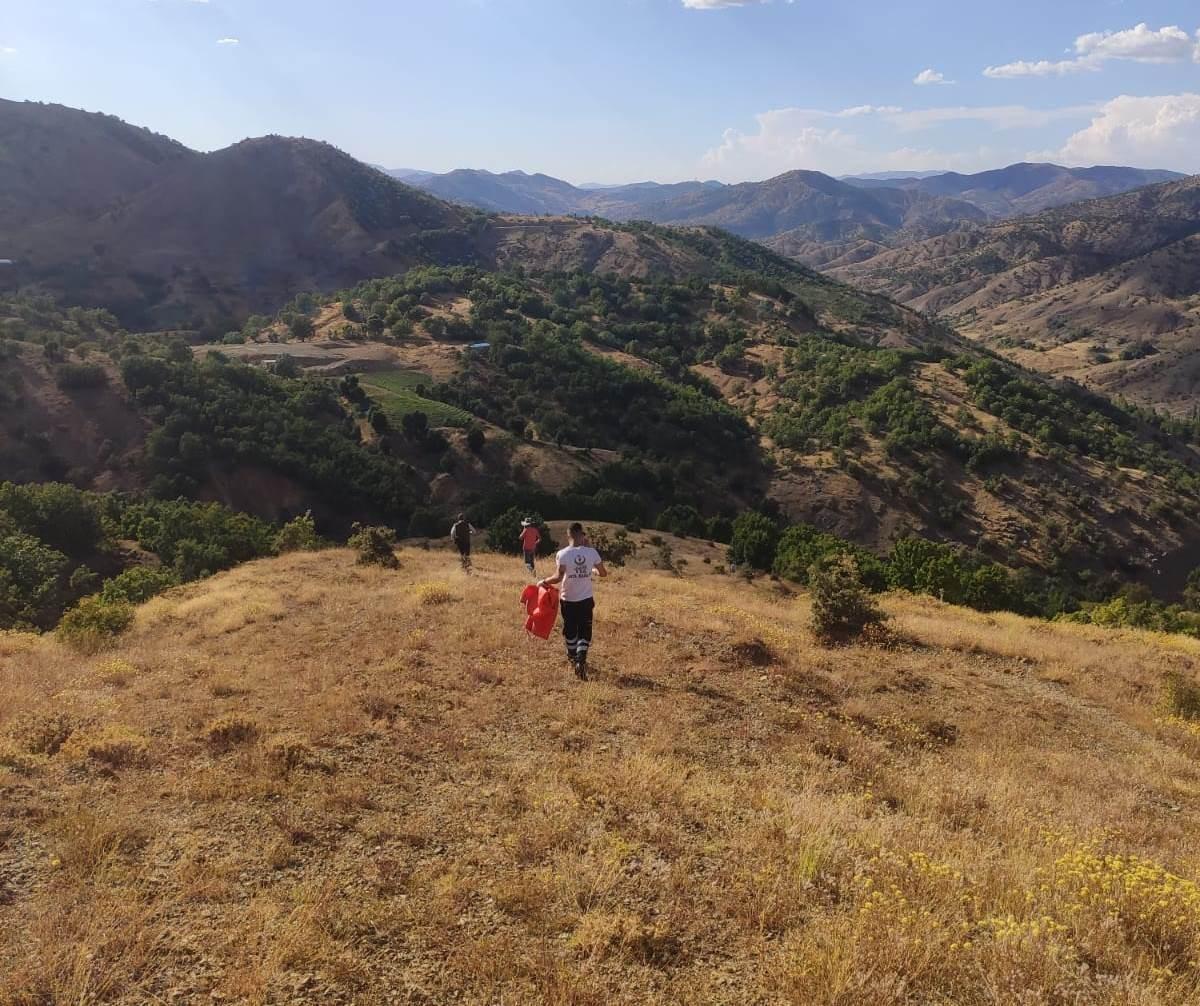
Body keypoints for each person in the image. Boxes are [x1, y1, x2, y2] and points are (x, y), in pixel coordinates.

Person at [539, 522, 607, 680]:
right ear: (582, 535)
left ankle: (572, 656)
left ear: (568, 535)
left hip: (568, 599)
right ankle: (581, 659)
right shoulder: (592, 553)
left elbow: (558, 577)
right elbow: (603, 573)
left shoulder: (562, 554)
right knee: (585, 630)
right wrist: (593, 570)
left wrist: (544, 581)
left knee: (570, 630)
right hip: (586, 599)